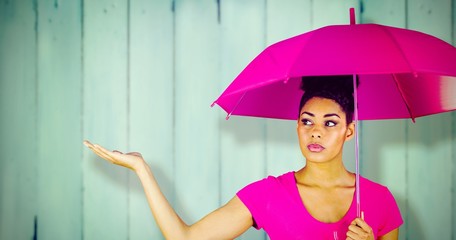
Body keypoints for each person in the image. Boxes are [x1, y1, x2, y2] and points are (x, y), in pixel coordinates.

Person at [84, 75, 403, 240]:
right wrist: (141, 169)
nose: (315, 132)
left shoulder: (378, 201)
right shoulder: (267, 195)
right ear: (297, 126)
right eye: (307, 121)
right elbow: (186, 238)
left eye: (330, 123)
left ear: (350, 131)